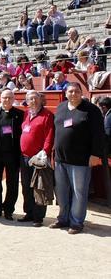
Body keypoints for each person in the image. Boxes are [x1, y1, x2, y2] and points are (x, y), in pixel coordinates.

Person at [51, 83, 105, 234]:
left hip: (81, 160)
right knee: (61, 191)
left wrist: (95, 154)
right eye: (70, 91)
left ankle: (76, 223)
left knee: (79, 192)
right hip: (61, 159)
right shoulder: (61, 107)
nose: (73, 94)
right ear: (66, 93)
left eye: (77, 91)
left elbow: (98, 134)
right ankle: (63, 218)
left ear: (81, 93)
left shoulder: (92, 110)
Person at [0, 90, 24, 220]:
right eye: (4, 98)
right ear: (0, 99)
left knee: (12, 183)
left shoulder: (19, 114)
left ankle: (9, 209)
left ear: (13, 99)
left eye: (9, 98)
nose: (7, 100)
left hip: (12, 155)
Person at [19, 91, 54, 227]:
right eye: (30, 99)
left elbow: (49, 136)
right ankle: (29, 213)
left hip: (38, 158)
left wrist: (44, 152)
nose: (32, 101)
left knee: (39, 188)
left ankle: (38, 217)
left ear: (40, 99)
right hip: (24, 157)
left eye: (35, 98)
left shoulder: (47, 115)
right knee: (26, 186)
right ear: (26, 101)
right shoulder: (26, 113)